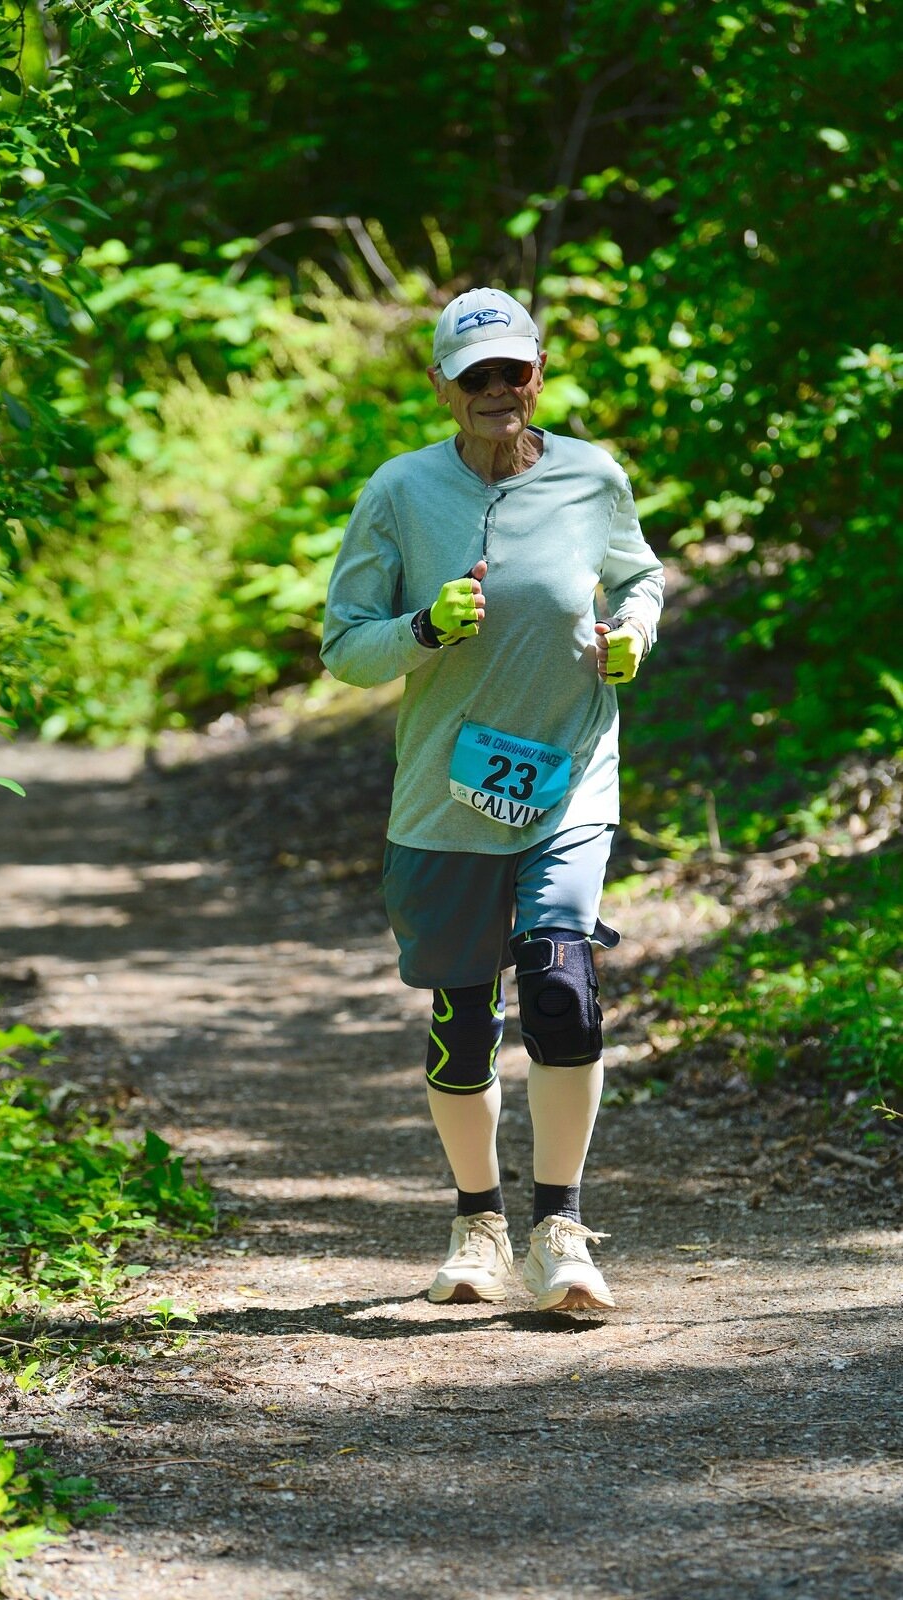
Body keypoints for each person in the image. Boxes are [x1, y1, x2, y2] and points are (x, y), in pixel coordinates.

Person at [320, 287, 664, 1312]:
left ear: (539, 373)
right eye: (477, 375)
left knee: (561, 985)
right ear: (442, 385)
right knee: (464, 1018)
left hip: (569, 780)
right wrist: (424, 628)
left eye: (513, 370)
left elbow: (639, 577)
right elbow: (345, 646)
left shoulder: (592, 476)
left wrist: (634, 632)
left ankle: (561, 1229)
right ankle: (479, 1226)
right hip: (446, 796)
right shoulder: (399, 491)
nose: (498, 390)